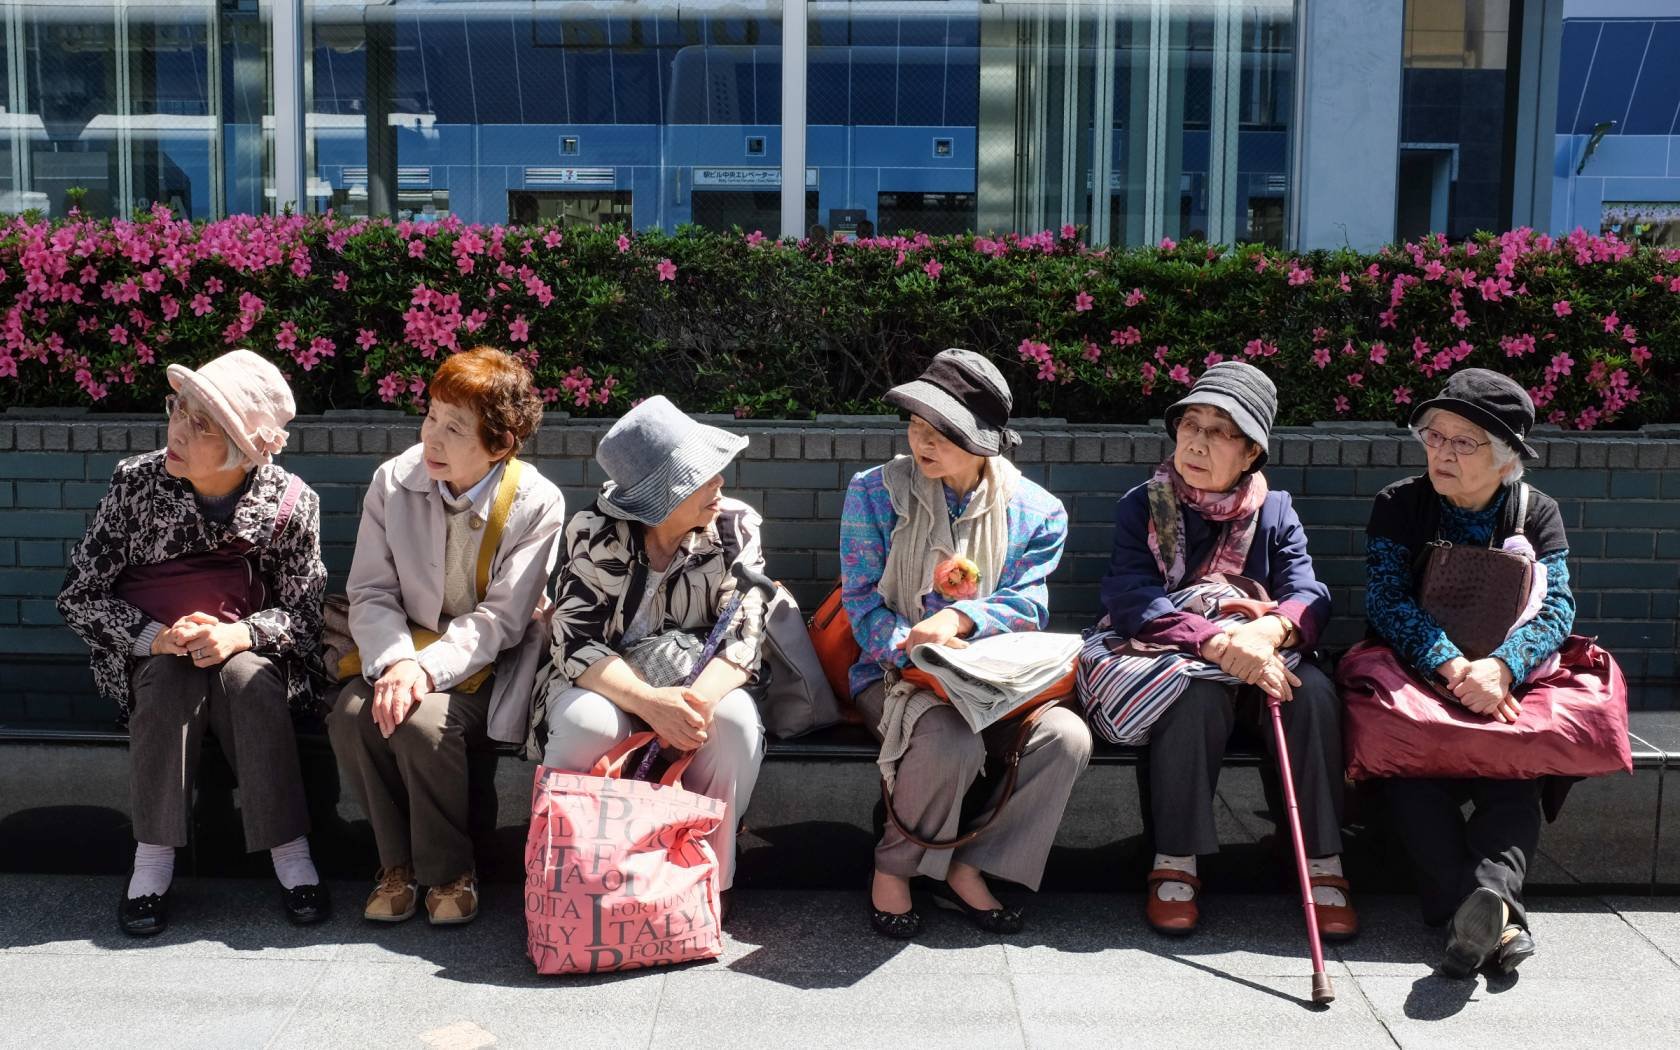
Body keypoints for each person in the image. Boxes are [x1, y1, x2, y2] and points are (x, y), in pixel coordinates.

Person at [58, 349, 329, 936]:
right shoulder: (135, 484)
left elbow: (307, 614)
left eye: (200, 423)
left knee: (248, 680)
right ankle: (152, 861)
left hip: (252, 650)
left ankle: (291, 853)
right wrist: (154, 638)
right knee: (168, 678)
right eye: (178, 410)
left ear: (241, 448)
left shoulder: (289, 502)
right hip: (150, 653)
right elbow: (77, 596)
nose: (176, 429)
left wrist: (239, 634)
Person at [1088, 361, 1353, 939]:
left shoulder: (1275, 511)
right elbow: (1132, 596)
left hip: (1260, 659)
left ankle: (1320, 862)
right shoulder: (1146, 504)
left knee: (1313, 696)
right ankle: (1174, 861)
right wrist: (1213, 639)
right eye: (1191, 425)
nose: (1198, 442)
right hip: (1178, 657)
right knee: (1193, 699)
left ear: (1251, 452)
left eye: (1219, 431)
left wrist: (1268, 633)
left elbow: (1307, 592)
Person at [841, 349, 1091, 939]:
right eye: (916, 427)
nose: (922, 443)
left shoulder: (1038, 511)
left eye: (942, 434)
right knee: (948, 736)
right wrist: (917, 652)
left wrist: (962, 624)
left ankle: (971, 863)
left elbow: (1028, 605)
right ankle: (894, 867)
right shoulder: (875, 493)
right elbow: (861, 602)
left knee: (1066, 738)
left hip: (997, 682)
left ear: (984, 442)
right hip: (894, 672)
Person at [328, 347, 564, 926]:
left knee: (424, 721)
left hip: (491, 661)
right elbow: (373, 591)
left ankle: (451, 870)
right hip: (401, 647)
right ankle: (396, 866)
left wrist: (425, 671)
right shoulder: (394, 480)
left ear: (500, 443)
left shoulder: (538, 503)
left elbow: (505, 619)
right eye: (431, 416)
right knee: (351, 713)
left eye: (454, 428)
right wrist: (396, 662)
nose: (431, 438)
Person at [1357, 368, 1575, 977]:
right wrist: (1453, 666)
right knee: (1412, 777)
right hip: (1416, 676)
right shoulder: (1401, 504)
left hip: (1502, 680)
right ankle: (1495, 921)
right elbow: (1386, 600)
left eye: (1463, 442)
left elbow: (1559, 606)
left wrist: (1503, 667)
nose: (1441, 452)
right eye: (1434, 435)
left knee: (1514, 774)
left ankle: (1478, 916)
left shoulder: (1537, 511)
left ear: (1505, 457)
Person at [540, 396, 768, 914]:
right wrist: (649, 703)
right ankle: (565, 879)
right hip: (606, 683)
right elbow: (574, 641)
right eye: (705, 476)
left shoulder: (734, 530)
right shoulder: (593, 533)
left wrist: (687, 705)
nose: (720, 485)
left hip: (701, 680)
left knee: (732, 722)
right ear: (666, 495)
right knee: (586, 724)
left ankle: (709, 883)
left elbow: (745, 634)